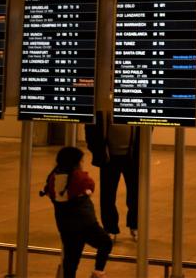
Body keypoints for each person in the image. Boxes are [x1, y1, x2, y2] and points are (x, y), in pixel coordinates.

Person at [41, 146, 112, 278]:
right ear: (76, 162)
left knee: (71, 261)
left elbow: (50, 193)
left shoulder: (52, 177)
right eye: (81, 160)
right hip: (86, 223)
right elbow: (90, 185)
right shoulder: (79, 177)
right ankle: (98, 272)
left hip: (65, 225)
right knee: (105, 243)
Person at [85, 111, 140, 241]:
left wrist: (140, 149)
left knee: (135, 194)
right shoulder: (101, 110)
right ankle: (110, 228)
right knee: (107, 196)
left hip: (132, 158)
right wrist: (97, 150)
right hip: (109, 159)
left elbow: (147, 128)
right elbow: (90, 130)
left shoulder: (136, 108)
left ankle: (135, 225)